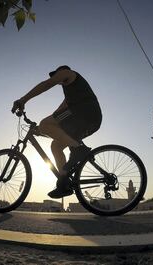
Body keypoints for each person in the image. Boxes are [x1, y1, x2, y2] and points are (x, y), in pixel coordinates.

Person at [11, 65, 102, 198]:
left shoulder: (68, 73)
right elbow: (57, 116)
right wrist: (42, 131)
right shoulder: (70, 97)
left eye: (56, 75)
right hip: (90, 121)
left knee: (44, 123)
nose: (55, 78)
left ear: (62, 71)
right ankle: (64, 182)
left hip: (84, 112)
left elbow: (46, 84)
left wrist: (23, 100)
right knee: (55, 145)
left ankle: (79, 150)